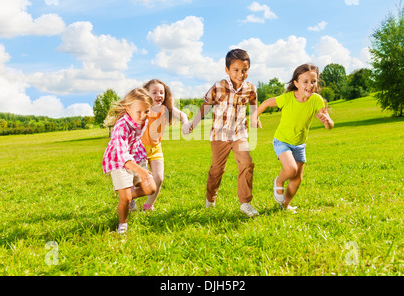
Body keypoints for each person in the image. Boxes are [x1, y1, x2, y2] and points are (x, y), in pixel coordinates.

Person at [183, 49, 259, 217]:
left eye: (244, 70)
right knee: (217, 170)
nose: (240, 74)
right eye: (236, 70)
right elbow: (206, 106)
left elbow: (253, 101)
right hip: (219, 136)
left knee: (247, 164)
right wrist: (193, 124)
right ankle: (210, 199)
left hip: (240, 134)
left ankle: (245, 203)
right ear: (227, 70)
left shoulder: (250, 88)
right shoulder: (218, 87)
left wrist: (255, 116)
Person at [252, 63, 334, 212]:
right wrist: (255, 117)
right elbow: (265, 103)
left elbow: (330, 126)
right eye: (305, 82)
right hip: (282, 140)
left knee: (297, 178)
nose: (310, 85)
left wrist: (327, 121)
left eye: (313, 81)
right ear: (296, 83)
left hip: (299, 143)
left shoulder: (317, 100)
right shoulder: (288, 98)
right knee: (290, 170)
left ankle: (285, 205)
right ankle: (279, 181)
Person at [102, 88, 157, 234]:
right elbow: (122, 156)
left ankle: (127, 194)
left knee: (150, 188)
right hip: (119, 160)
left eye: (146, 111)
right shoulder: (121, 127)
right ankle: (122, 225)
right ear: (128, 109)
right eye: (139, 112)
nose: (143, 116)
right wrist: (141, 170)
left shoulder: (142, 119)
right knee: (125, 200)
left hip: (136, 155)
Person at [131, 79, 189, 212]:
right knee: (137, 180)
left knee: (158, 178)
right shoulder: (141, 108)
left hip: (156, 149)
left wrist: (185, 123)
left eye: (162, 92)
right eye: (155, 92)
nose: (159, 95)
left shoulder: (165, 109)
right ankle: (130, 197)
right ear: (146, 93)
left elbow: (182, 114)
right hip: (139, 149)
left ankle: (148, 206)